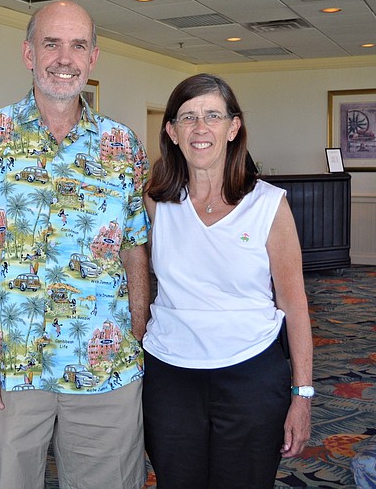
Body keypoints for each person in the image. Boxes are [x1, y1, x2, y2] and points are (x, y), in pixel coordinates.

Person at [0, 1, 150, 488]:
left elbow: (135, 250)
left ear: (93, 57)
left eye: (78, 46)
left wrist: (134, 336)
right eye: (52, 44)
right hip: (9, 368)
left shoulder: (123, 146)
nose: (64, 58)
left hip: (104, 370)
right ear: (29, 53)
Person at [142, 73, 313, 488]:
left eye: (213, 116)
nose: (200, 128)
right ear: (172, 132)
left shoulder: (268, 204)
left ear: (233, 128)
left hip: (251, 374)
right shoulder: (155, 200)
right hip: (170, 375)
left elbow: (294, 305)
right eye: (188, 117)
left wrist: (303, 395)